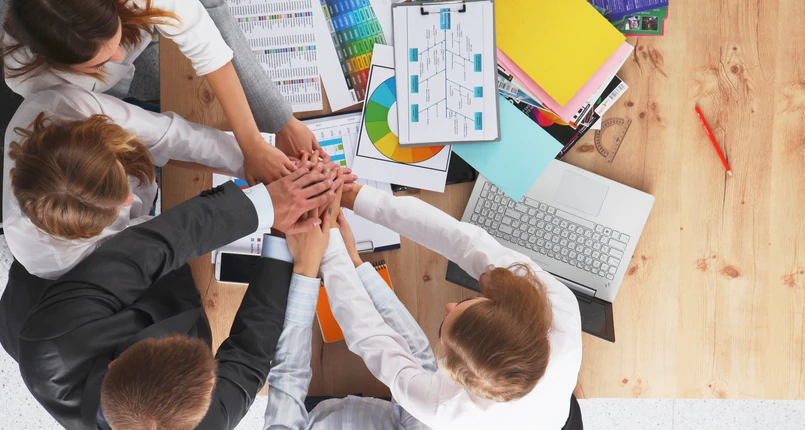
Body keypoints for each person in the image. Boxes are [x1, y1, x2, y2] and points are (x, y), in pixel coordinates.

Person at [1, 166, 338, 430]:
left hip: (64, 276)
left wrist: (268, 206)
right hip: (103, 292)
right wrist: (281, 238)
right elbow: (249, 357)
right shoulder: (199, 419)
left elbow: (148, 248)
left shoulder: (52, 344)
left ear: (116, 364)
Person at [2, 85, 346, 279]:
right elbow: (161, 241)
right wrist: (261, 206)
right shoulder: (52, 259)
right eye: (115, 209)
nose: (129, 200)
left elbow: (169, 136)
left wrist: (252, 163)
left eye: (120, 180)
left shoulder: (65, 105)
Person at [318, 184, 584, 429]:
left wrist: (329, 246)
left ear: (456, 373)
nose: (448, 305)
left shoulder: (443, 409)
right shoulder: (558, 306)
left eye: (443, 334)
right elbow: (462, 240)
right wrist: (359, 198)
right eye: (468, 303)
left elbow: (369, 336)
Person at [2, 0, 325, 184]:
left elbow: (208, 48)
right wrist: (247, 159)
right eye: (97, 62)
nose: (118, 56)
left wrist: (262, 139)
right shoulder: (38, 86)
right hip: (102, 105)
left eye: (115, 37)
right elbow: (145, 138)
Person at [262, 183, 432, 430]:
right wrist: (353, 262)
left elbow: (288, 376)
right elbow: (418, 363)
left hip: (311, 410)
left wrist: (310, 265)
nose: (449, 307)